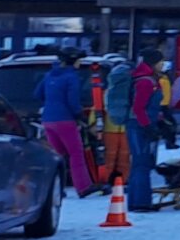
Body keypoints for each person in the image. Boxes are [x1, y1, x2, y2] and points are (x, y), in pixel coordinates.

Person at [33, 47, 98, 197]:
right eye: (79, 61)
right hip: (66, 120)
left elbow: (37, 94)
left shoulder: (49, 75)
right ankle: (83, 187)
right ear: (73, 61)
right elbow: (73, 101)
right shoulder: (71, 77)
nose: (79, 64)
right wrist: (80, 116)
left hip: (48, 119)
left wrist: (51, 104)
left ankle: (56, 189)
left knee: (57, 155)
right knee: (76, 153)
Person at [127, 47, 165, 213]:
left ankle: (136, 201)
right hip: (139, 126)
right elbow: (139, 108)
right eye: (161, 61)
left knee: (138, 164)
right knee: (142, 164)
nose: (163, 64)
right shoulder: (146, 82)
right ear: (153, 62)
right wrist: (148, 126)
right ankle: (142, 202)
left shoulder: (147, 78)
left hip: (141, 124)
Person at [100, 57, 134, 188]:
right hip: (127, 125)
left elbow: (99, 107)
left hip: (110, 126)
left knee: (109, 155)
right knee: (125, 155)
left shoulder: (109, 89)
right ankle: (123, 179)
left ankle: (106, 179)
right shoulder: (132, 86)